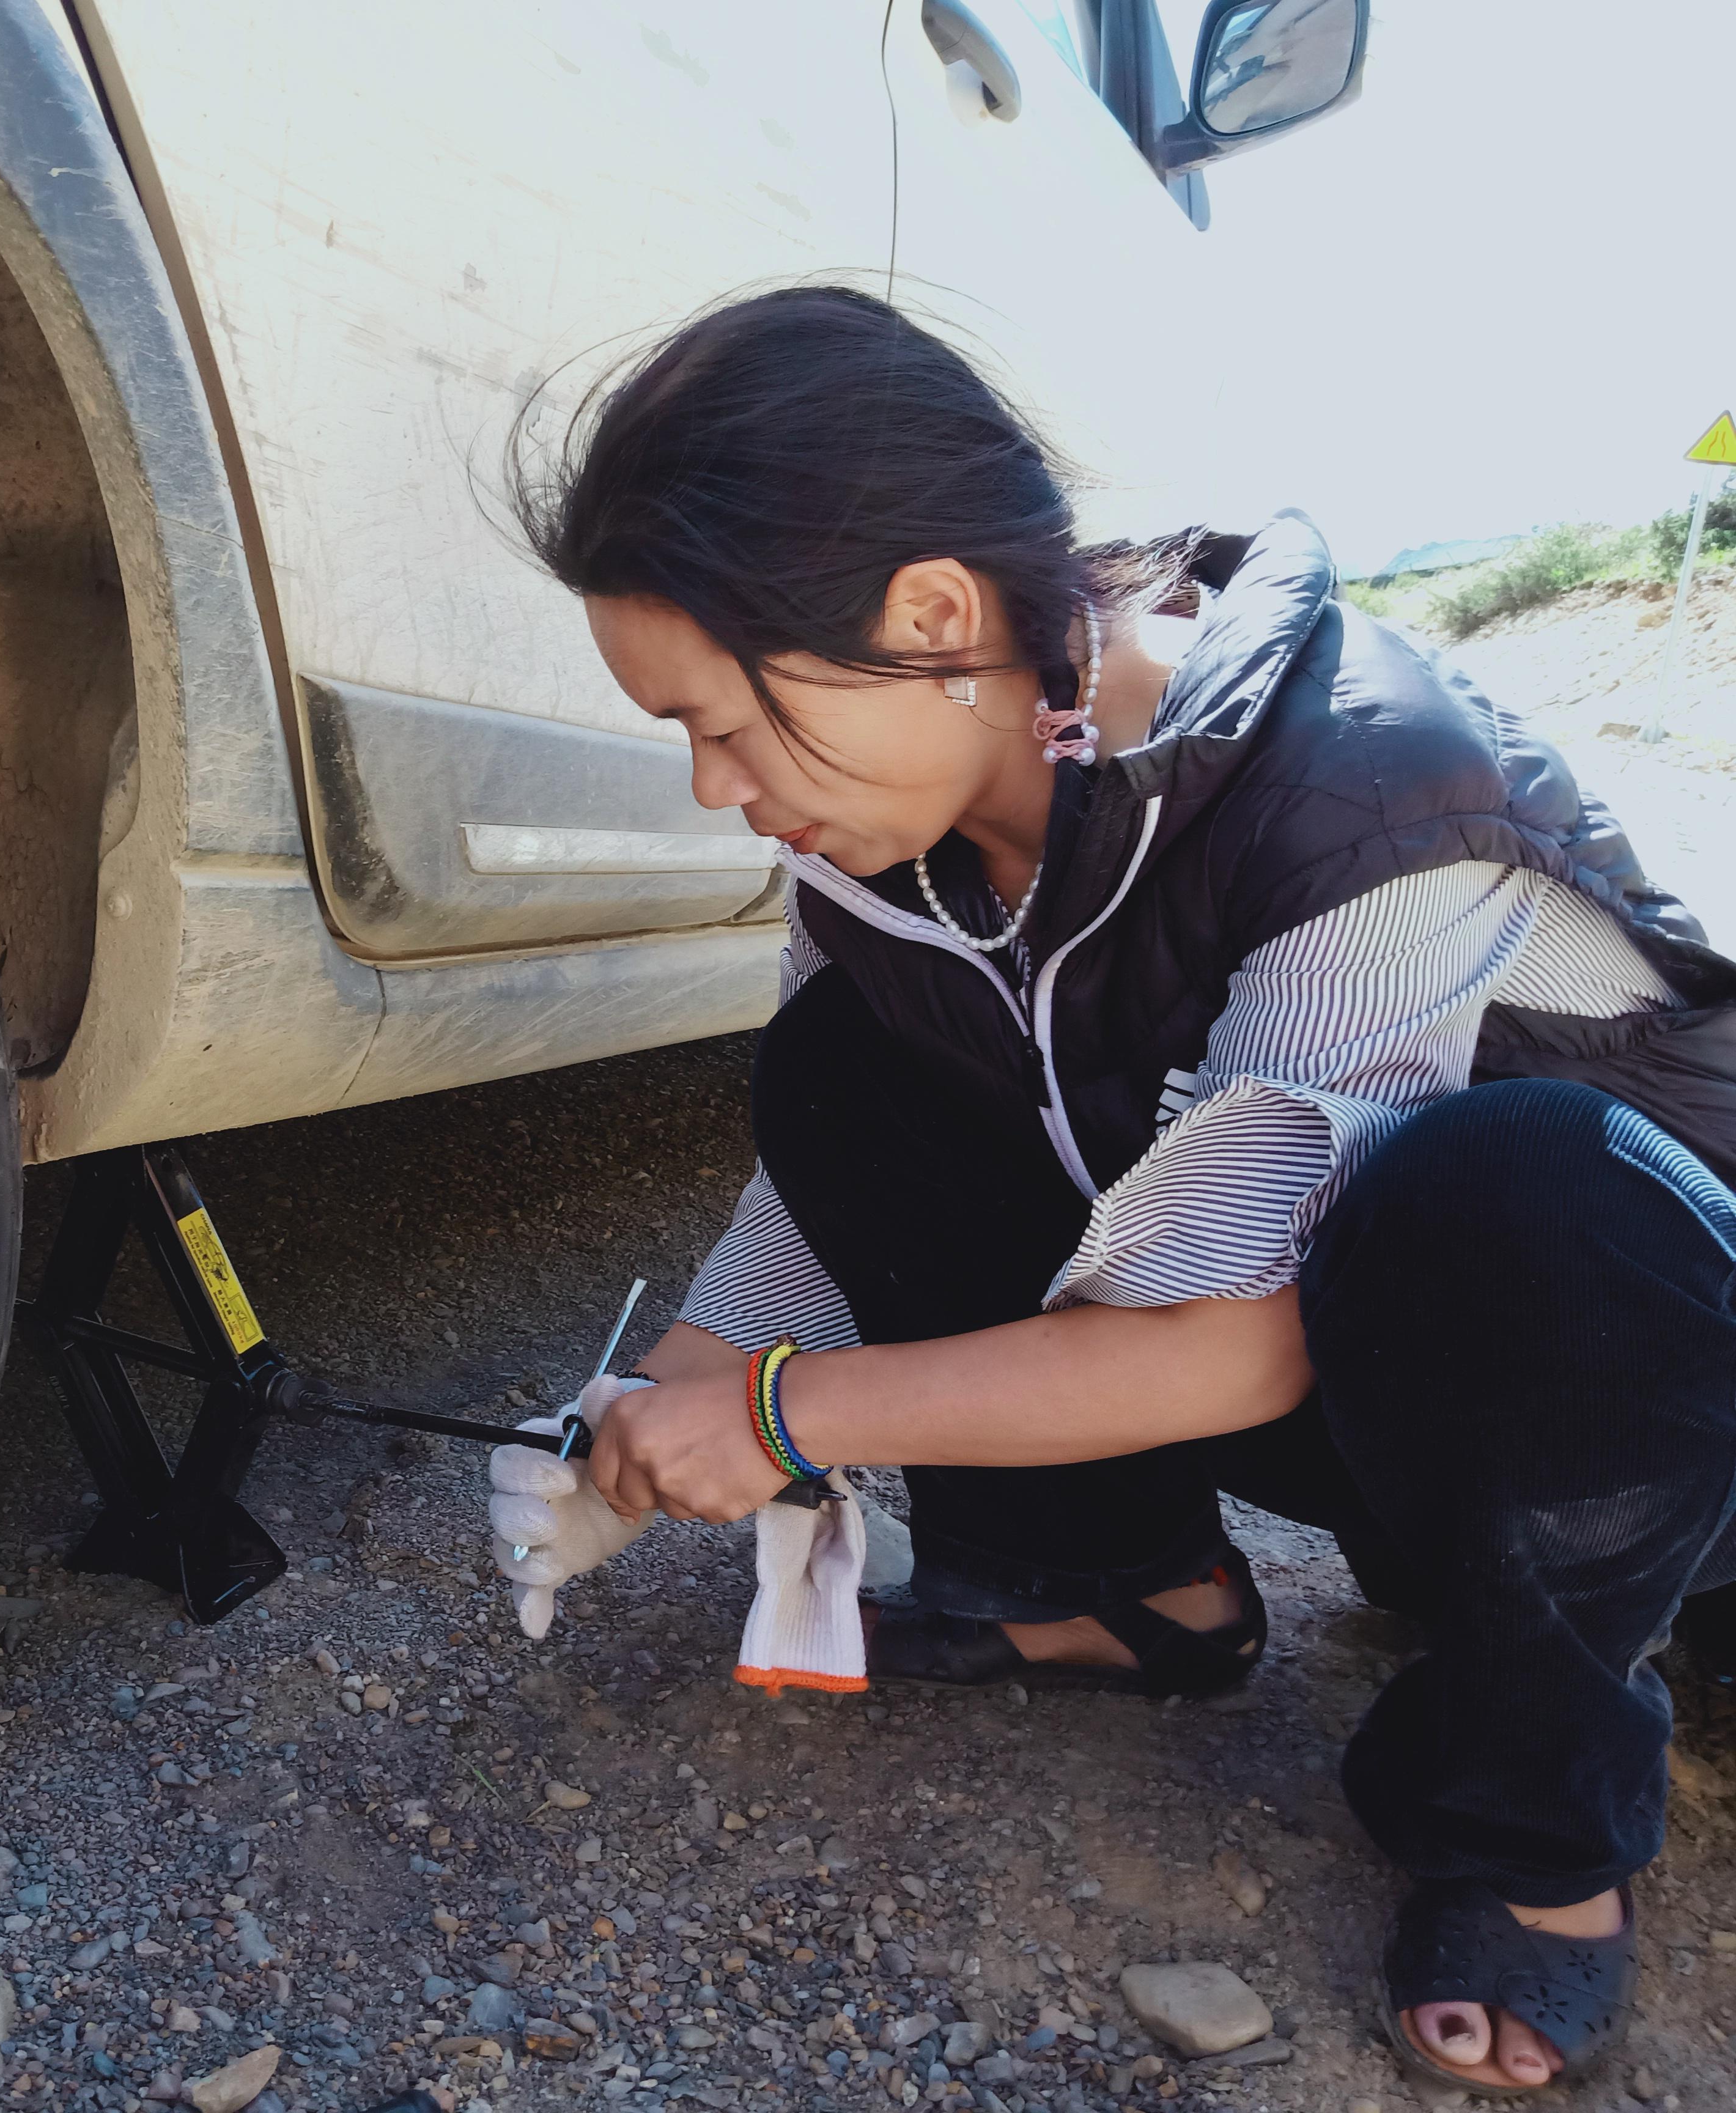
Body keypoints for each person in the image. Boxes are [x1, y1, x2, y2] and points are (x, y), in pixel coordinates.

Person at [483, 284, 1736, 2100]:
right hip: (1392, 1405)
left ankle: (1541, 1838)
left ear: (928, 617)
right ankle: (1124, 1591)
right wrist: (641, 1410)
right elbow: (825, 1189)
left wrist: (786, 1417)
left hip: (1654, 1439)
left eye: (728, 725)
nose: (716, 790)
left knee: (1519, 1182)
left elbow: (1225, 1345)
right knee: (843, 1060)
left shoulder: (1372, 784)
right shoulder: (885, 850)